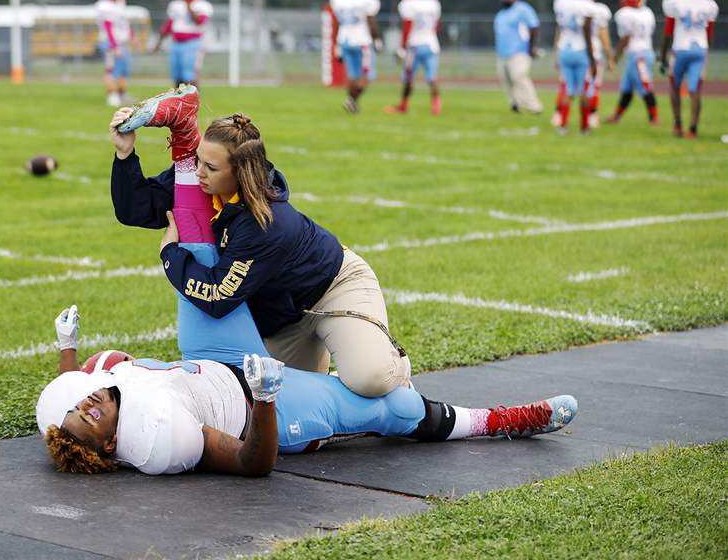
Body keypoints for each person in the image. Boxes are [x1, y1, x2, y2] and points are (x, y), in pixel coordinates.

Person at [109, 85, 411, 399]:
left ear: (240, 173)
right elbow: (135, 210)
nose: (197, 173)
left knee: (370, 379)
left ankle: (397, 369)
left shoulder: (265, 223)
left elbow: (216, 297)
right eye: (197, 161)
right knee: (274, 401)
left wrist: (171, 254)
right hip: (284, 318)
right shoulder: (206, 178)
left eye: (210, 167)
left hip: (334, 289)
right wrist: (124, 153)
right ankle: (334, 372)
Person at [36, 305, 579, 476]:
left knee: (198, 265)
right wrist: (267, 396)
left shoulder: (97, 384)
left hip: (213, 361)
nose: (86, 404)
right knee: (396, 407)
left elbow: (70, 387)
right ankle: (502, 420)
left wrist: (68, 345)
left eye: (82, 406)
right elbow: (253, 463)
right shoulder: (160, 436)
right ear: (112, 443)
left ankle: (187, 150)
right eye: (91, 417)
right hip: (262, 402)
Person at [659, 0, 719, 138]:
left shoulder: (675, 2)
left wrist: (663, 56)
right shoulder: (709, 4)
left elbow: (668, 32)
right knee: (695, 90)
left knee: (675, 87)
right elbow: (709, 34)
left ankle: (678, 125)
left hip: (680, 49)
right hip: (700, 49)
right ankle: (693, 129)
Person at [385, 0, 443, 116]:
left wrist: (402, 47)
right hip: (431, 44)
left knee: (408, 78)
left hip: (414, 45)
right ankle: (436, 105)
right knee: (432, 77)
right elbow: (437, 26)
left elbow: (408, 26)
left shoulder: (407, 4)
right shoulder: (433, 2)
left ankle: (403, 105)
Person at [551, 0, 597, 135]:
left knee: (567, 90)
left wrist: (555, 52)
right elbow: (587, 32)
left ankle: (563, 126)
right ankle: (584, 128)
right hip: (581, 51)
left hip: (564, 49)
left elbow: (559, 29)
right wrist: (592, 59)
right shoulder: (588, 5)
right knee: (585, 91)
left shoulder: (560, 2)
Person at [331, 0, 382, 114]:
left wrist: (336, 44)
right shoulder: (368, 0)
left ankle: (352, 104)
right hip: (362, 41)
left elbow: (336, 24)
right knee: (367, 76)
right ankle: (351, 100)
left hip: (344, 40)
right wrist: (377, 39)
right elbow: (370, 22)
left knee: (353, 76)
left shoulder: (339, 0)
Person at [605, 0, 658, 125]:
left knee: (645, 86)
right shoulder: (647, 12)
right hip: (641, 53)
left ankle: (654, 118)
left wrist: (615, 58)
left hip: (638, 55)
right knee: (627, 89)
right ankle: (616, 116)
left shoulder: (625, 14)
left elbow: (626, 39)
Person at [153, 0, 214, 88]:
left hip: (193, 43)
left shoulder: (203, 5)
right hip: (176, 43)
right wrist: (159, 43)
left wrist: (189, 6)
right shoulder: (176, 5)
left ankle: (193, 100)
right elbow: (168, 25)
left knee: (190, 74)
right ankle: (178, 100)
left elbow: (199, 21)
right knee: (177, 74)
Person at [493, 0, 542, 115]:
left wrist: (532, 47)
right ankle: (515, 104)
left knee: (519, 77)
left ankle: (534, 106)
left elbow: (534, 26)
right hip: (502, 53)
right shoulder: (501, 14)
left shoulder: (523, 9)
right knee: (507, 81)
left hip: (519, 52)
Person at [95, 0, 133, 107]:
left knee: (122, 70)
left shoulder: (119, 3)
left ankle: (122, 94)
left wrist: (131, 35)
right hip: (111, 42)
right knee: (111, 70)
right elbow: (108, 26)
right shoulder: (104, 5)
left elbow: (124, 22)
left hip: (120, 41)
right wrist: (114, 45)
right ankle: (112, 95)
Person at [583, 0, 614, 128]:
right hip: (594, 53)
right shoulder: (599, 10)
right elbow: (604, 36)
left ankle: (560, 116)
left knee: (571, 86)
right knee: (593, 86)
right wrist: (610, 57)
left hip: (577, 52)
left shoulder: (572, 7)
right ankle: (592, 116)